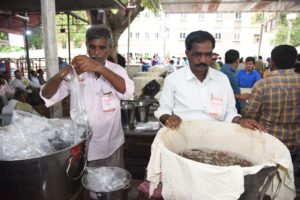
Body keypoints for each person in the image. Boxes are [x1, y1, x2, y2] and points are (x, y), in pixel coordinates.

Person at [40, 25, 134, 168]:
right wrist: (60, 75)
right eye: (92, 47)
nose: (96, 52)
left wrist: (99, 68)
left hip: (111, 143)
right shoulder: (77, 71)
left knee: (112, 183)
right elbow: (47, 94)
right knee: (86, 184)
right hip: (83, 143)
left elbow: (126, 92)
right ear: (87, 46)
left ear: (109, 48)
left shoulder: (117, 70)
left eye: (102, 48)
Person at [154, 30, 263, 131]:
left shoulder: (222, 79)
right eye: (197, 54)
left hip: (216, 137)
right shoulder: (173, 79)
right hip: (183, 135)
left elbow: (229, 112)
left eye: (207, 55)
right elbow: (163, 110)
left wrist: (239, 120)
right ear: (187, 53)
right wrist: (169, 118)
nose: (203, 60)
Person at [243, 45, 300, 158]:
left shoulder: (262, 85)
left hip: (268, 141)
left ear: (272, 62)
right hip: (296, 143)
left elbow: (249, 115)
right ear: (295, 61)